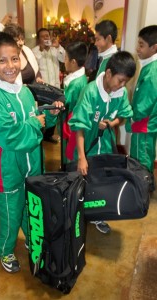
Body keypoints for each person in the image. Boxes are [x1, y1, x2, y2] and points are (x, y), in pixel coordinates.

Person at [0, 32, 64, 273]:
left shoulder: (25, 92)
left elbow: (38, 122)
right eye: (2, 60)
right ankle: (5, 251)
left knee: (29, 205)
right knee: (10, 212)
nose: (10, 66)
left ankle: (32, 239)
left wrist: (49, 115)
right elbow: (11, 135)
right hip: (6, 169)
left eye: (14, 59)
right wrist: (37, 123)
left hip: (30, 166)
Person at [68, 51, 136, 233]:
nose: (122, 85)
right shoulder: (90, 92)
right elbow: (79, 128)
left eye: (125, 82)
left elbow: (123, 116)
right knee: (83, 179)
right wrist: (82, 157)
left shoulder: (119, 93)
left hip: (105, 144)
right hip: (87, 144)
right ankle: (80, 214)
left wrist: (110, 123)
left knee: (101, 180)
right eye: (120, 80)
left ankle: (98, 215)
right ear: (108, 74)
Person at [90, 19, 118, 233]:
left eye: (98, 38)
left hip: (102, 127)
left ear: (108, 39)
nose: (95, 42)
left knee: (99, 170)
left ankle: (98, 213)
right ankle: (92, 209)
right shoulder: (104, 58)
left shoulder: (112, 62)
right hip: (95, 126)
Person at [126, 25, 157, 191]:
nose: (137, 49)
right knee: (145, 154)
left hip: (143, 123)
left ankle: (142, 187)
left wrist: (132, 115)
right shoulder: (149, 66)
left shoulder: (152, 71)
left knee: (141, 156)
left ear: (154, 47)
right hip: (147, 123)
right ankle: (145, 183)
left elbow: (145, 102)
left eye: (141, 45)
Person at [32, 28, 66, 144]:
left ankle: (49, 135)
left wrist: (58, 46)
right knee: (44, 110)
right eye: (43, 36)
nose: (46, 38)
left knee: (54, 110)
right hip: (43, 89)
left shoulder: (55, 50)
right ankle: (40, 135)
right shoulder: (34, 51)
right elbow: (34, 67)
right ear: (38, 39)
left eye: (47, 36)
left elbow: (63, 58)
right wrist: (42, 50)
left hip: (55, 86)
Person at [0, 15, 42, 84]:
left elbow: (36, 70)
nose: (21, 43)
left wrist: (38, 78)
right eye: (17, 40)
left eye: (22, 39)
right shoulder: (4, 56)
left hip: (31, 93)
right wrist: (2, 23)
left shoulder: (26, 50)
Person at [62, 41, 88, 165]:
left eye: (66, 58)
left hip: (72, 123)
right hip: (73, 121)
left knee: (70, 153)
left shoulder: (75, 83)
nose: (64, 61)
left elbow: (65, 102)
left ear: (73, 62)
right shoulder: (80, 78)